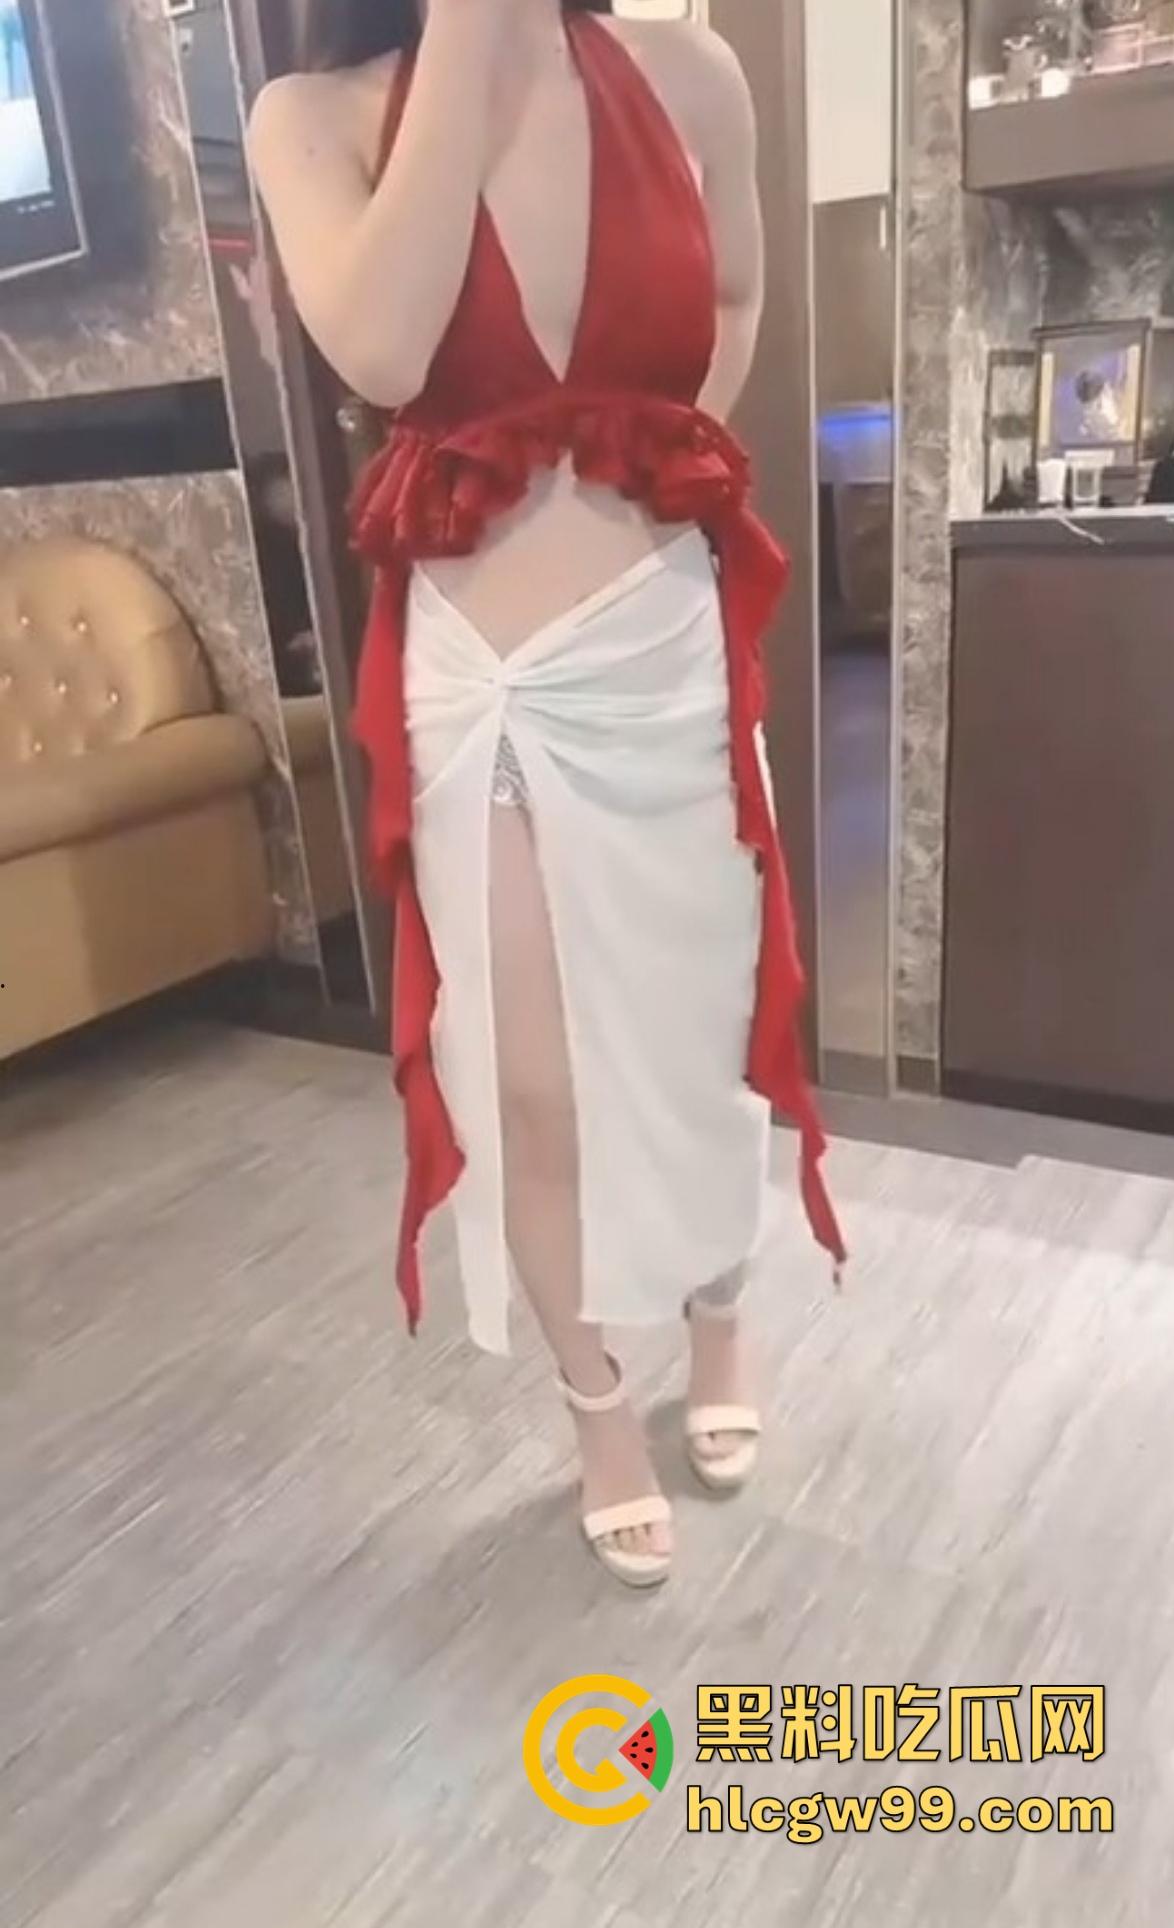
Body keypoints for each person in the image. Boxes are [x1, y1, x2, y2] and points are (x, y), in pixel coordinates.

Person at [249, 0, 845, 1589]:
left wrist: (653, 449)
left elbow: (732, 291)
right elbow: (383, 346)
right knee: (527, 1081)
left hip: (661, 644)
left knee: (699, 1036)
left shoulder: (688, 70)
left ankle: (718, 1317)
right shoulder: (313, 118)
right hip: (483, 682)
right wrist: (473, 27)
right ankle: (594, 1411)